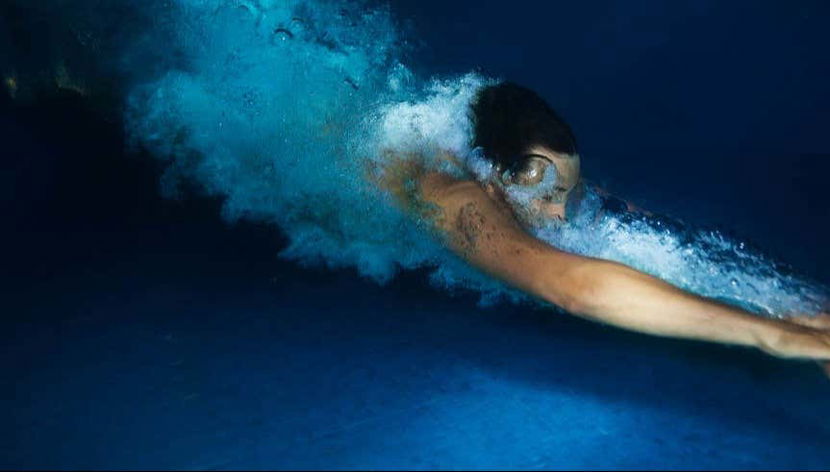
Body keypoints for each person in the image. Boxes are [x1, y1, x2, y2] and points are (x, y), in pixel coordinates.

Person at [377, 81, 830, 375]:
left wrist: (794, 305)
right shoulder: (456, 201)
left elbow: (651, 237)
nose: (558, 215)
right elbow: (575, 288)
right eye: (548, 193)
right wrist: (772, 335)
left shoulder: (508, 175)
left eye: (566, 194)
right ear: (491, 174)